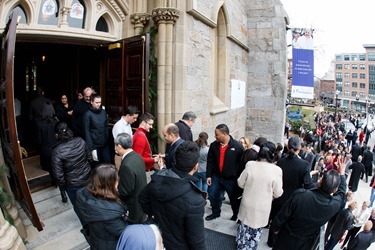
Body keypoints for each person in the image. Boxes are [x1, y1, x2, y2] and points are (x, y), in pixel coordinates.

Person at [139, 141, 206, 250]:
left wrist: (156, 215)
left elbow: (142, 199)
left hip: (160, 237)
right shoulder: (195, 201)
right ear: (196, 167)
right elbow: (196, 239)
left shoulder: (157, 179)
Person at [270, 162, 347, 250]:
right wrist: (342, 175)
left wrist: (275, 229)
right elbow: (341, 193)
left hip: (286, 238)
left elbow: (282, 216)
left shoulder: (301, 195)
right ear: (335, 190)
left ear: (320, 181)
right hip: (305, 244)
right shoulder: (333, 205)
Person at [236, 141, 283, 250]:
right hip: (262, 207)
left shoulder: (250, 164)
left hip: (247, 204)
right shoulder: (276, 170)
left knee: (243, 231)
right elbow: (278, 193)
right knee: (255, 235)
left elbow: (240, 183)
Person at [267, 136, 313, 247]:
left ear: (287, 146)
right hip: (293, 200)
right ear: (300, 148)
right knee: (286, 223)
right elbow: (308, 185)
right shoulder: (304, 165)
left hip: (279, 197)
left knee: (275, 220)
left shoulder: (281, 162)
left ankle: (270, 242)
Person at [76, 164, 129, 250]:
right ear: (108, 184)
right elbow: (125, 233)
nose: (118, 184)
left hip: (96, 240)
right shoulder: (110, 214)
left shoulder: (87, 195)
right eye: (116, 181)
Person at [205, 124, 244, 221]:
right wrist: (208, 175)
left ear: (225, 134)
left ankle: (235, 214)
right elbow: (210, 161)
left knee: (233, 199)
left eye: (217, 134)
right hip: (217, 177)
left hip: (231, 180)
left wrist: (239, 180)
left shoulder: (238, 147)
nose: (215, 136)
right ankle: (216, 212)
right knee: (212, 194)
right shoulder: (214, 145)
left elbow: (241, 165)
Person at [51, 122, 92, 207]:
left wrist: (64, 186)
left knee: (79, 207)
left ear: (56, 135)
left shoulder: (57, 151)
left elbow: (58, 175)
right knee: (91, 203)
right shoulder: (80, 141)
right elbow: (89, 158)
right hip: (87, 178)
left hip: (73, 185)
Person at [115, 132, 147, 223]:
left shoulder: (126, 165)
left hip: (134, 207)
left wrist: (115, 190)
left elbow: (125, 191)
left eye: (116, 145)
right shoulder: (137, 156)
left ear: (119, 146)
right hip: (141, 202)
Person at [83, 93, 111, 164]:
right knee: (97, 165)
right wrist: (91, 147)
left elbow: (106, 126)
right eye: (97, 102)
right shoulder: (87, 114)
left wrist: (106, 136)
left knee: (108, 161)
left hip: (104, 143)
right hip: (94, 145)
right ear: (91, 102)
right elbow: (86, 131)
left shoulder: (103, 112)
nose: (98, 104)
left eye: (100, 102)